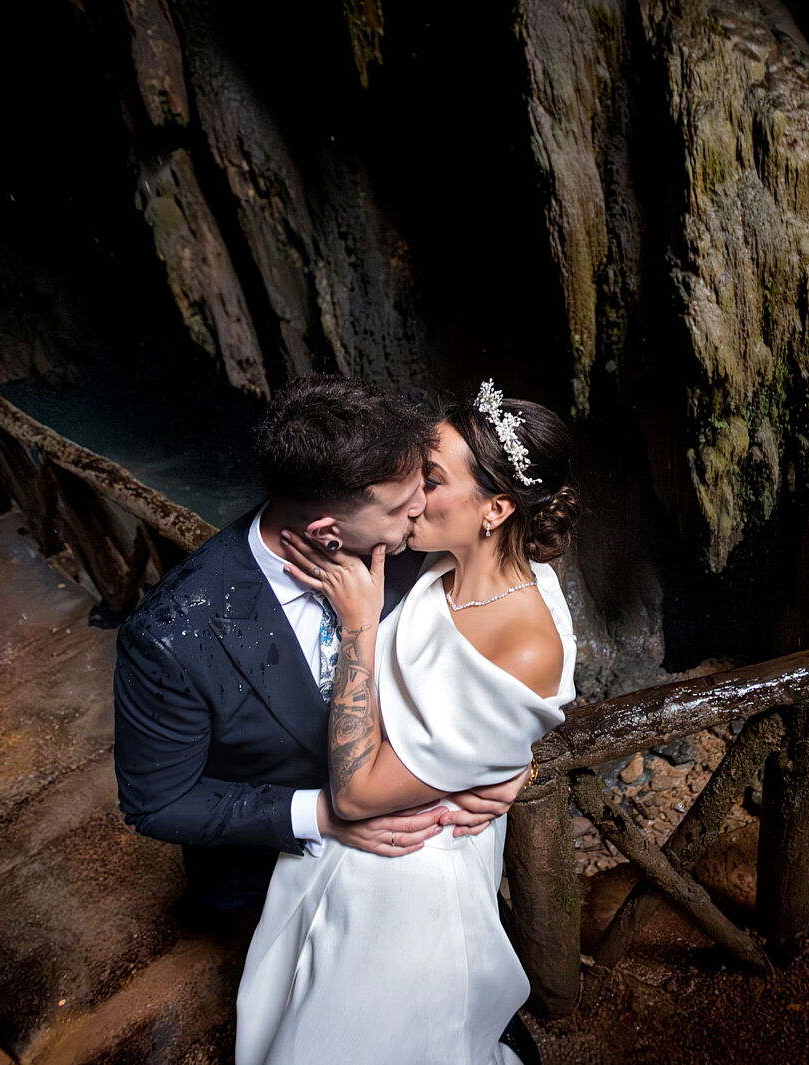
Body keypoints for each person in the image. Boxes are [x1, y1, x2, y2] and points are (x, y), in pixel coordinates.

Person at [235, 381, 581, 1065]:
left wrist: (361, 626)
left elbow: (359, 795)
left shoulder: (526, 638)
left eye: (430, 479)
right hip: (372, 831)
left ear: (497, 509)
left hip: (412, 874)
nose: (410, 497)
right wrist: (512, 762)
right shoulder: (443, 556)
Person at [112, 376, 529, 917]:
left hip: (429, 855)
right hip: (274, 879)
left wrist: (513, 761)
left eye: (425, 483)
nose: (423, 508)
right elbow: (157, 803)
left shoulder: (417, 543)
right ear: (327, 533)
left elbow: (509, 656)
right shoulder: (169, 639)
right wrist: (324, 816)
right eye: (405, 503)